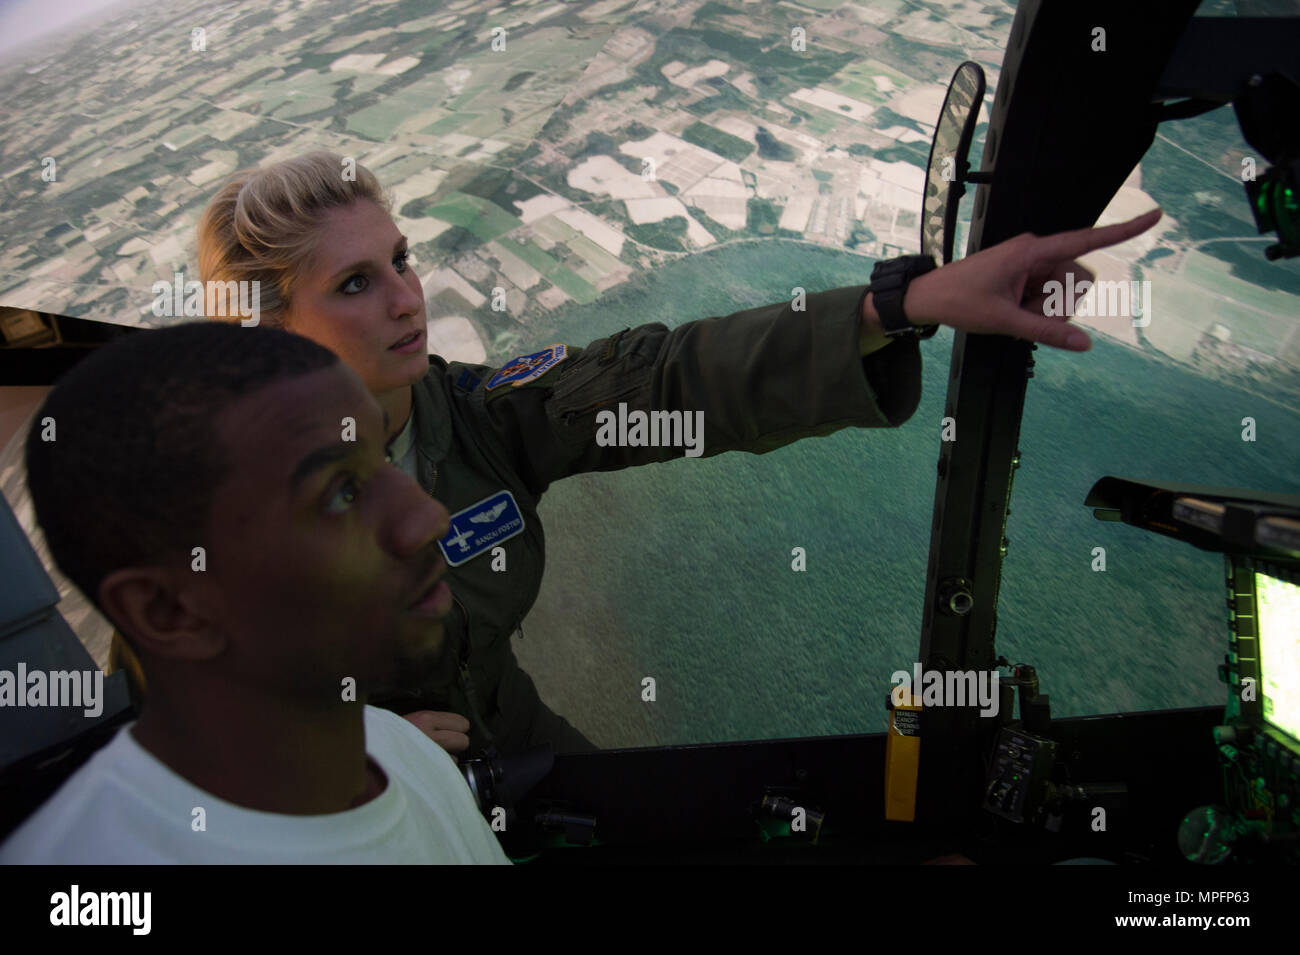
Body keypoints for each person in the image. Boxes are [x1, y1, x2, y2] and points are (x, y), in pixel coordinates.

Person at [187, 151, 1162, 757]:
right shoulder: (217, 515)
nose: (406, 298)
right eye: (355, 282)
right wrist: (326, 746)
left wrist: (900, 305)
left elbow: (664, 380)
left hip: (510, 746)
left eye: (400, 259)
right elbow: (168, 721)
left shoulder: (471, 415)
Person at [0, 322, 511, 863]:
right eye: (342, 494)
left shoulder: (396, 746)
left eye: (379, 458)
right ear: (169, 610)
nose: (430, 518)